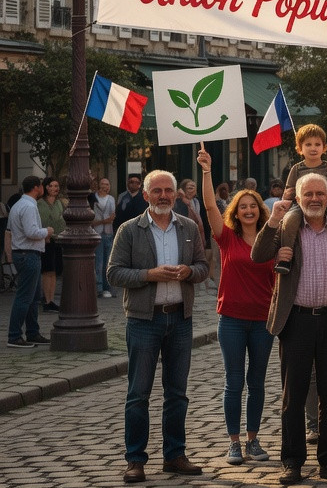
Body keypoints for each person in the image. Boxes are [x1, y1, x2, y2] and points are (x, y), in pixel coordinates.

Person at [251, 174, 327, 485]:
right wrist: (272, 222)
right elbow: (258, 254)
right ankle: (292, 461)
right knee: (293, 395)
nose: (315, 199)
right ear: (298, 198)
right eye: (308, 194)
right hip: (296, 321)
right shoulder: (287, 229)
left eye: (320, 194)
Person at [106, 171, 209, 483]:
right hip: (143, 320)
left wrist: (188, 271)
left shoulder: (188, 227)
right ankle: (135, 459)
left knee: (177, 393)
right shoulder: (129, 229)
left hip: (180, 318)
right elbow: (113, 273)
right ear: (146, 195)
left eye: (169, 191)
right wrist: (148, 275)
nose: (164, 195)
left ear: (176, 194)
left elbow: (204, 267)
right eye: (157, 191)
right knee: (138, 393)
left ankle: (175, 455)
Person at [197, 148, 276, 466]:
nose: (248, 210)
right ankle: (233, 443)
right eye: (242, 206)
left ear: (259, 210)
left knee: (257, 382)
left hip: (262, 321)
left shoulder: (272, 240)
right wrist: (206, 170)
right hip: (230, 319)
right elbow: (207, 205)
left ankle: (253, 440)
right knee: (234, 381)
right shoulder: (226, 238)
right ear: (235, 211)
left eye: (252, 206)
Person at [7, 176, 51, 348]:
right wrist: (46, 231)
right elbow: (31, 232)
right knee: (25, 297)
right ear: (36, 187)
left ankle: (32, 332)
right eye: (41, 186)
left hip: (24, 253)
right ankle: (14, 335)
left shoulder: (19, 204)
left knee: (33, 297)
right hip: (28, 254)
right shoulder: (29, 206)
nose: (43, 189)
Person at [37, 177, 64, 311]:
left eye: (56, 186)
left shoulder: (59, 203)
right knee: (47, 270)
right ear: (46, 187)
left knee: (54, 271)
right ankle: (46, 300)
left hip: (57, 239)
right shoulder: (39, 204)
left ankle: (51, 299)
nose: (54, 188)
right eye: (52, 186)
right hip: (45, 240)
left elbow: (61, 221)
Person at [93, 178, 117, 298]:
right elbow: (91, 219)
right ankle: (99, 287)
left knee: (108, 261)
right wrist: (103, 221)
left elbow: (112, 216)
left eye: (107, 184)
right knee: (99, 261)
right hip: (96, 233)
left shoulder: (111, 199)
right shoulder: (93, 198)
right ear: (99, 185)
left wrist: (107, 220)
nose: (105, 186)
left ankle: (108, 287)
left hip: (108, 233)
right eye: (103, 184)